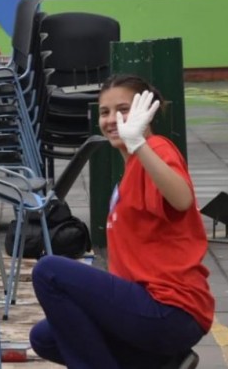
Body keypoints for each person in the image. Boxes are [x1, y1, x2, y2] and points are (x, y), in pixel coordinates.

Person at [28, 74, 214, 369]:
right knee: (45, 337)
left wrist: (139, 143)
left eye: (123, 109)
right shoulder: (129, 170)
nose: (113, 119)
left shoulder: (157, 150)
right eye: (105, 112)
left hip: (171, 310)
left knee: (49, 271)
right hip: (146, 308)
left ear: (145, 112)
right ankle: (163, 363)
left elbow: (182, 198)